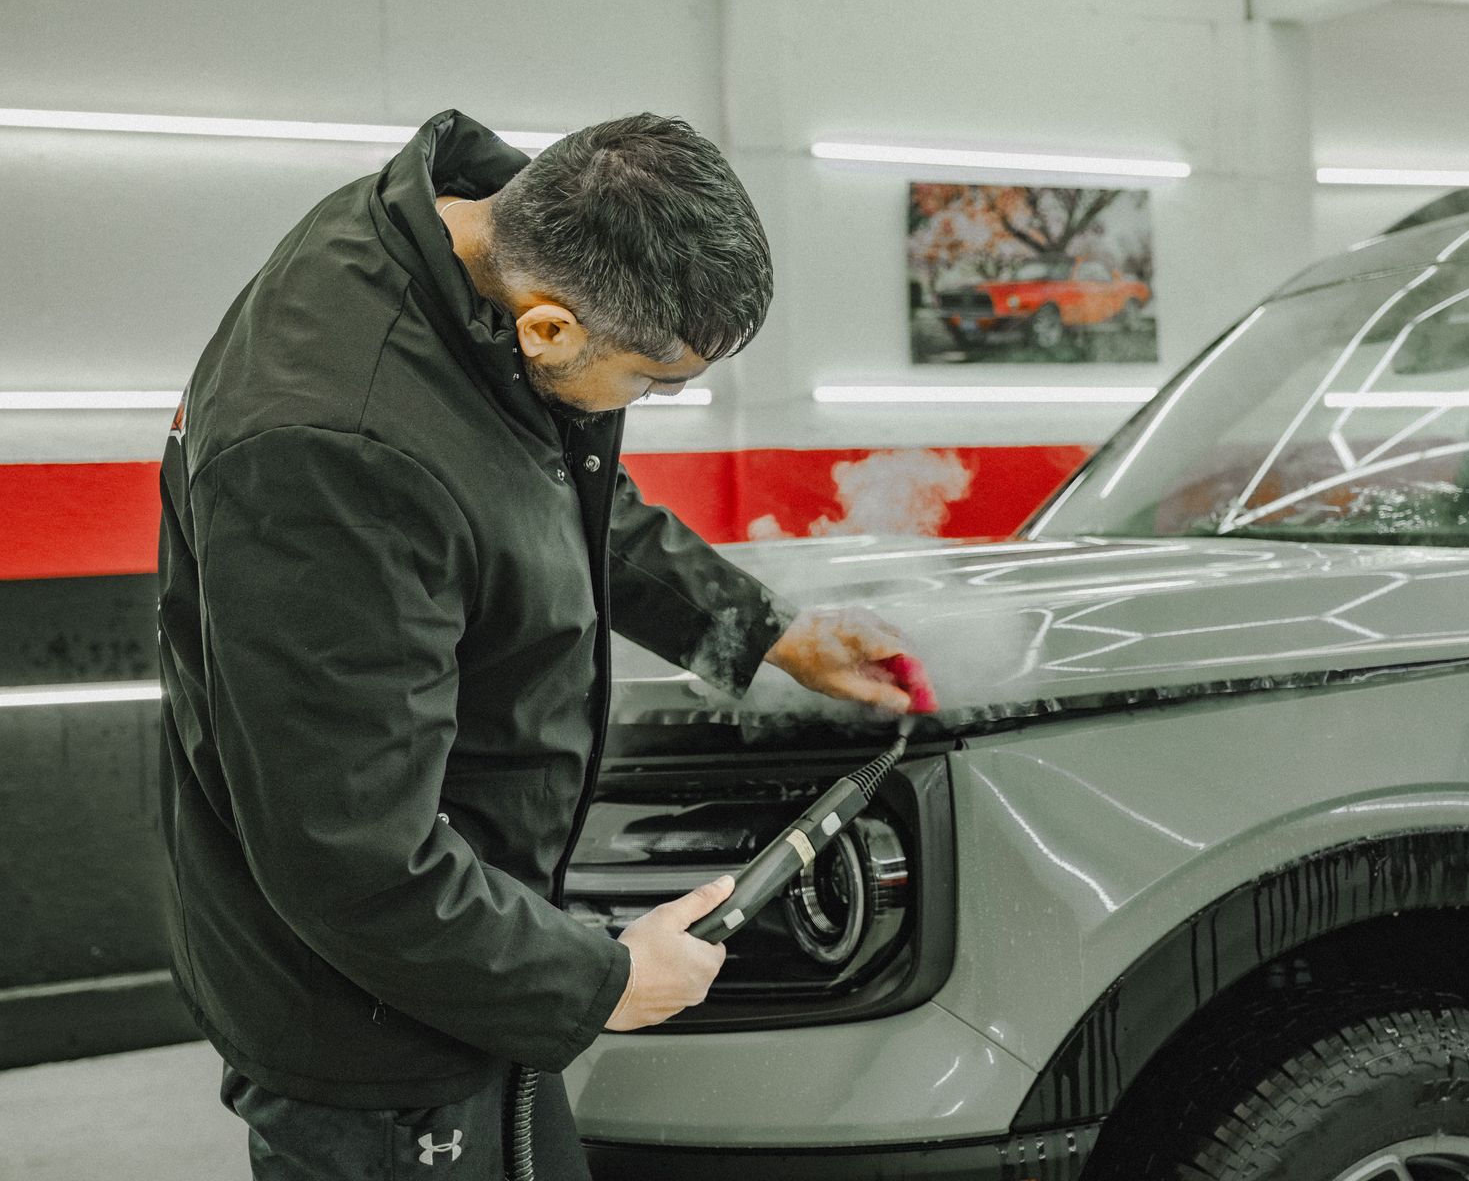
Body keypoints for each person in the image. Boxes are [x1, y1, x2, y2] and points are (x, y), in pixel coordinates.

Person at [154, 110, 915, 1178]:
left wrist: (764, 630)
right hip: (374, 1014)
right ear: (549, 329)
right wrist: (595, 980)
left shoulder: (473, 251)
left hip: (467, 953)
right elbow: (349, 854)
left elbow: (551, 490)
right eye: (654, 383)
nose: (650, 405)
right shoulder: (336, 457)